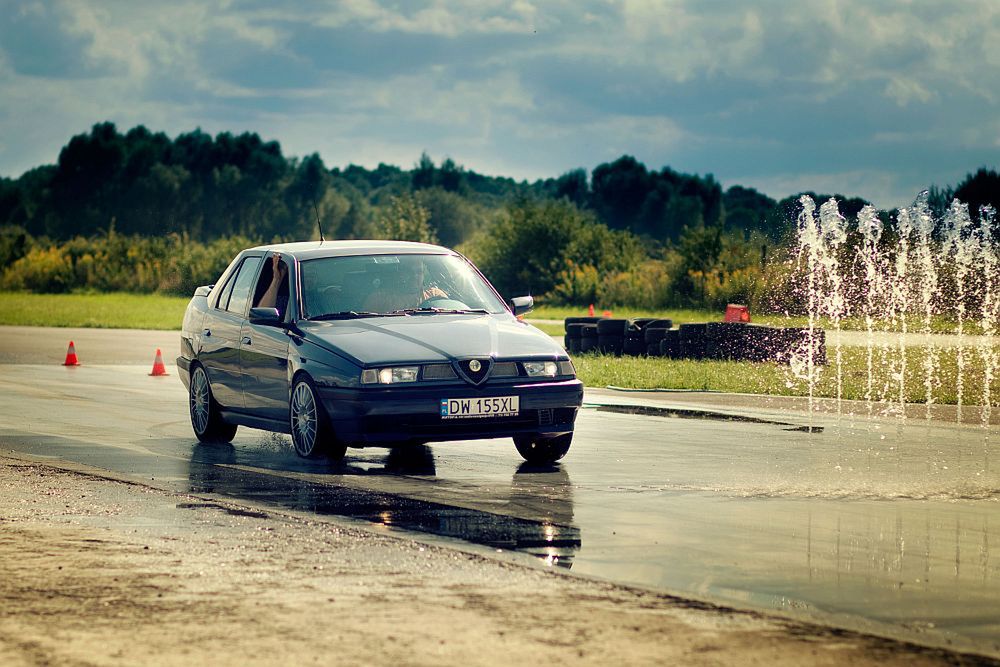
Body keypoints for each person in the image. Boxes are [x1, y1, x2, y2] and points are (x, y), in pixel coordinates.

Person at [364, 258, 446, 312]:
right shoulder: (380, 298)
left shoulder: (435, 295)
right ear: (400, 274)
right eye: (409, 272)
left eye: (419, 272)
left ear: (423, 275)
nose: (414, 276)